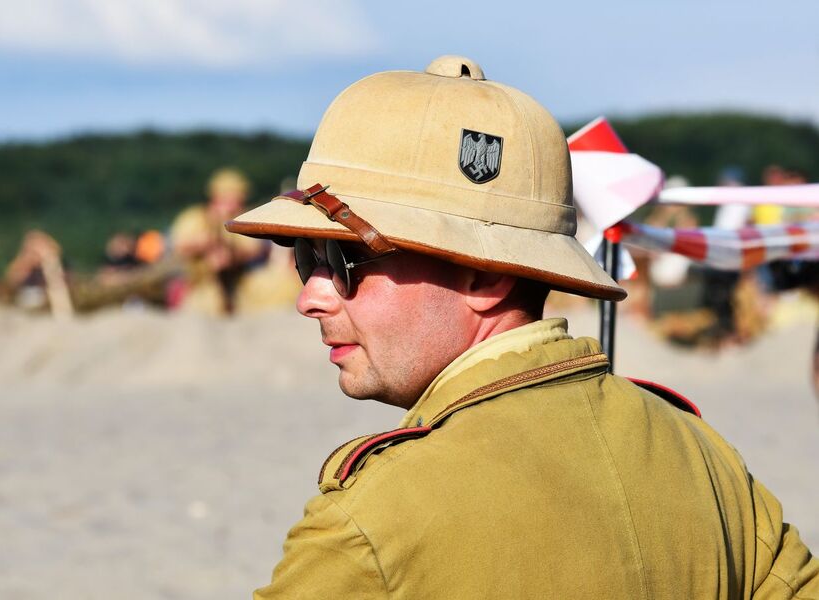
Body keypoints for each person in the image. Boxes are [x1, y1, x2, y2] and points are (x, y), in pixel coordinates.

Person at [226, 56, 818, 598]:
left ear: (484, 278)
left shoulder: (373, 521)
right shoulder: (701, 458)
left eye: (340, 262)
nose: (309, 296)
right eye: (305, 256)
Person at [169, 168, 268, 315]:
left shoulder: (244, 219)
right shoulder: (196, 217)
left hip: (239, 284)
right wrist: (205, 245)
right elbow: (179, 246)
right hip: (201, 283)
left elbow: (253, 249)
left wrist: (231, 254)